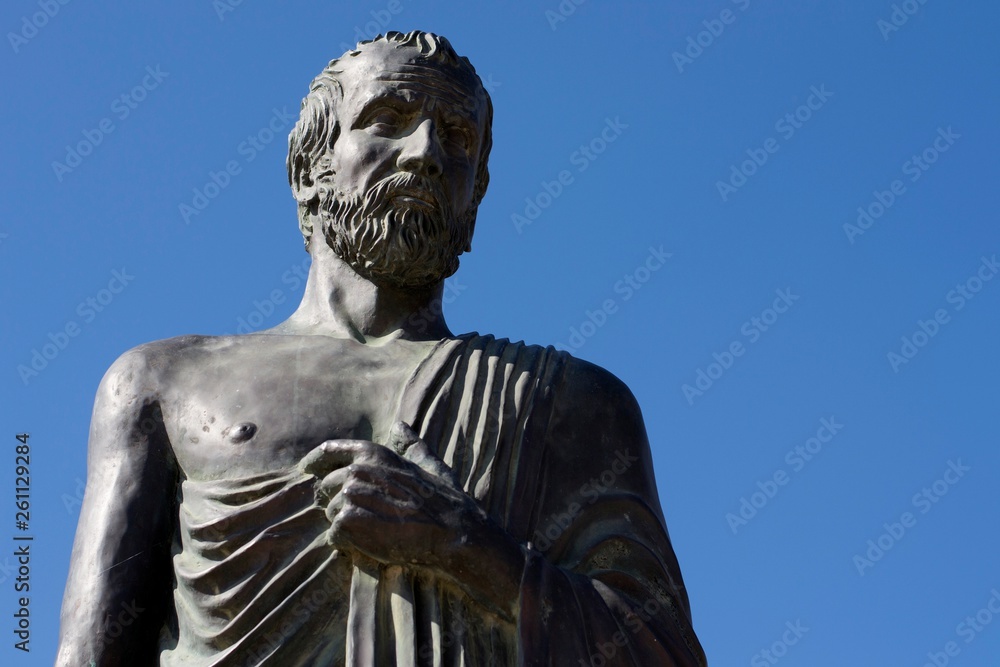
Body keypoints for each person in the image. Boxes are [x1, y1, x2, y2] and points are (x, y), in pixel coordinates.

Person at [57, 30, 707, 666]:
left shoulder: (570, 401)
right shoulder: (163, 382)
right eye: (389, 118)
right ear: (309, 166)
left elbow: (662, 651)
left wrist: (473, 551)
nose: (425, 151)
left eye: (457, 138)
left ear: (475, 195)